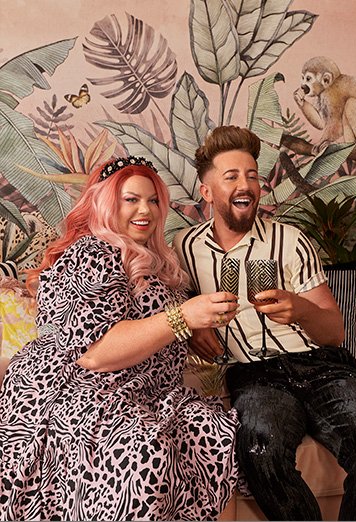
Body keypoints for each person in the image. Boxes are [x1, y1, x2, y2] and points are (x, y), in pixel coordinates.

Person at [0, 156, 241, 521]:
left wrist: (192, 326)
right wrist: (183, 317)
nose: (146, 210)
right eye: (131, 199)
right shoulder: (92, 253)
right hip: (80, 391)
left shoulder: (156, 261)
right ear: (107, 203)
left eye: (154, 200)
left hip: (142, 393)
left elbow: (148, 321)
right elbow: (96, 353)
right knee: (147, 452)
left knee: (213, 436)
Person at [173, 125, 356, 521]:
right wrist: (192, 328)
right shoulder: (185, 248)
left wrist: (300, 309)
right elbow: (172, 308)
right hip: (255, 375)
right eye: (231, 176)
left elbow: (334, 331)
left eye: (251, 175)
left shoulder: (291, 240)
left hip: (322, 365)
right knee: (259, 450)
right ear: (207, 191)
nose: (245, 184)